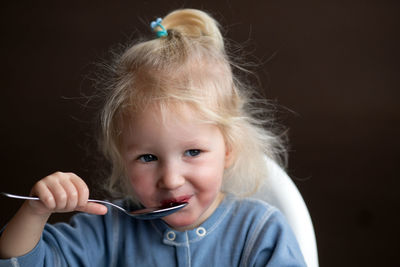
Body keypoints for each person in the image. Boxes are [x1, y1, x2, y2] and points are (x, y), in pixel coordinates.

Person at [0, 8, 306, 266]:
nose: (171, 180)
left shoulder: (260, 232)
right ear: (123, 159)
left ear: (228, 148)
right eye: (148, 157)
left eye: (193, 152)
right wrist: (35, 212)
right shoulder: (111, 230)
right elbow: (21, 261)